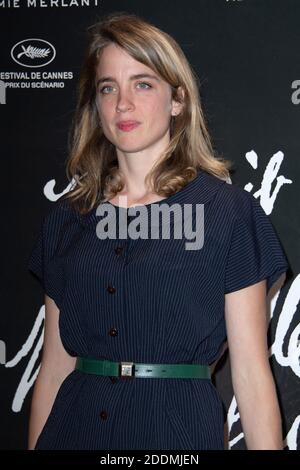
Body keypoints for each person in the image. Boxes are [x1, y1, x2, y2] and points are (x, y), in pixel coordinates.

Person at [27, 12, 289, 450]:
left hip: (175, 434)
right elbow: (54, 366)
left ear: (178, 100)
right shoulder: (67, 220)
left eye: (143, 84)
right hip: (73, 431)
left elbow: (250, 372)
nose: (122, 104)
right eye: (108, 88)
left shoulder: (226, 213)